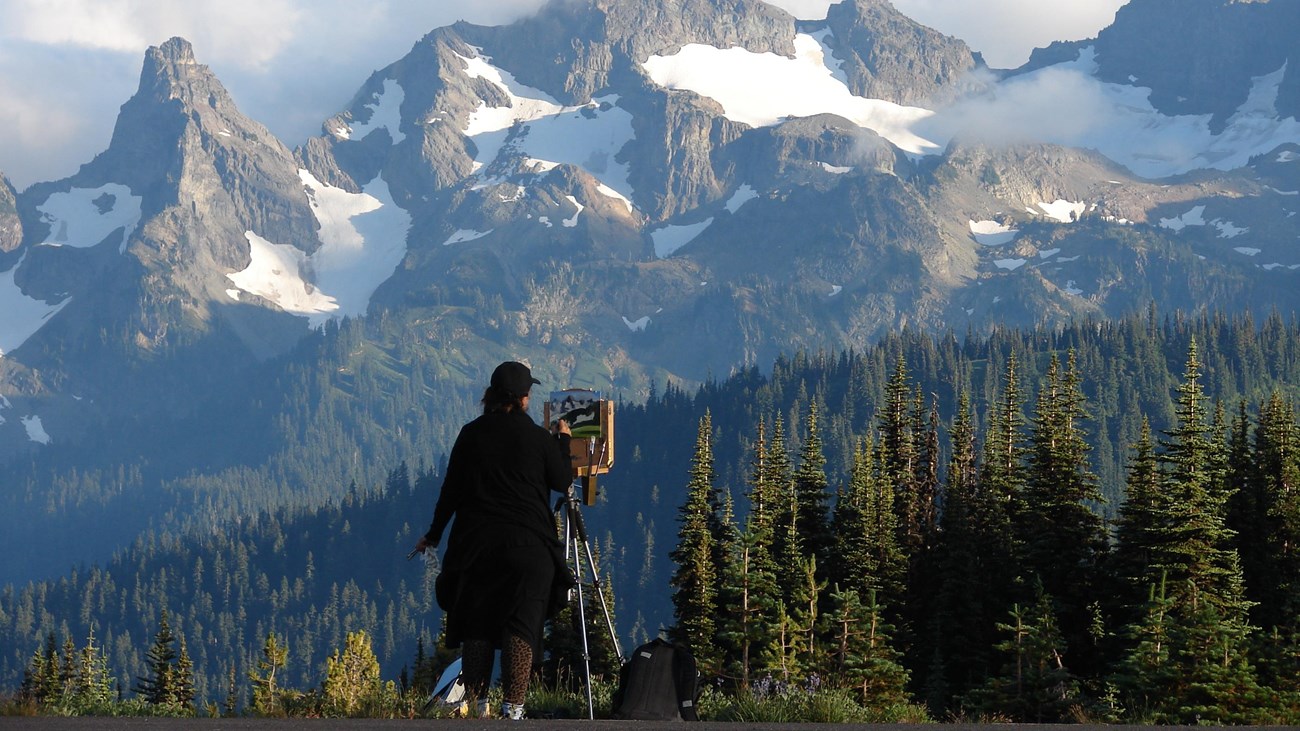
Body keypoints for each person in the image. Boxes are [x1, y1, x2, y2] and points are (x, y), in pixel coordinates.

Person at [410, 361, 573, 720]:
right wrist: (562, 439)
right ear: (525, 398)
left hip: (477, 546)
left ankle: (480, 706)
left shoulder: (471, 434)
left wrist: (433, 535)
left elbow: (450, 491)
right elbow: (562, 481)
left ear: (491, 396)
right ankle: (512, 709)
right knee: (520, 625)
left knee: (477, 626)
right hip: (528, 548)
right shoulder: (538, 439)